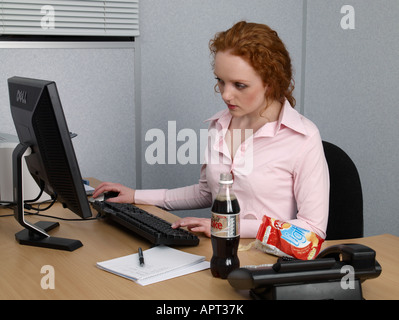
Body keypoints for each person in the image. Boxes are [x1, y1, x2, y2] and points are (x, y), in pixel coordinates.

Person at [93, 21, 330, 239]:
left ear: (271, 82)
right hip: (218, 252)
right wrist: (136, 196)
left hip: (268, 264)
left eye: (239, 85)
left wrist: (227, 227)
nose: (226, 94)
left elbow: (312, 228)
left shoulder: (303, 138)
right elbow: (207, 193)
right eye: (221, 81)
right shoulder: (220, 124)